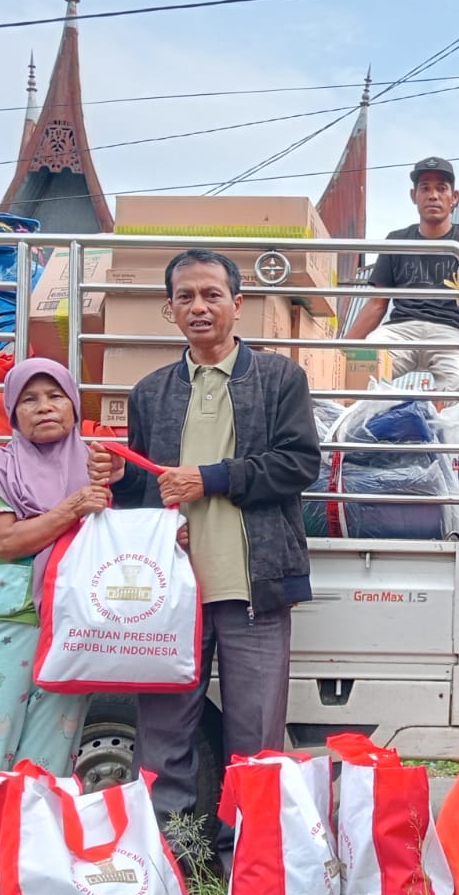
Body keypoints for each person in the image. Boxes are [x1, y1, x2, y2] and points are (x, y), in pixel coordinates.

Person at [114, 249, 321, 849]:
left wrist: (213, 478)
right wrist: (115, 474)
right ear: (169, 310)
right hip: (170, 593)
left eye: (211, 295)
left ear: (238, 303)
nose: (199, 307)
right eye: (185, 297)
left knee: (255, 740)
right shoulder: (152, 392)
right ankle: (166, 868)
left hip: (254, 585)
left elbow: (299, 463)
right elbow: (141, 490)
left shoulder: (280, 378)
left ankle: (249, 869)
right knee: (162, 733)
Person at [0, 358, 115, 775]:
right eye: (29, 400)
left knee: (46, 767)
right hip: (3, 627)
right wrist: (74, 507)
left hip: (72, 634)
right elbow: (6, 542)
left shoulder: (99, 470)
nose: (44, 407)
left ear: (74, 406)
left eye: (56, 396)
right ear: (13, 413)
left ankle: (31, 843)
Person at [345, 157, 459, 393]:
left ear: (454, 197)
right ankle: (354, 427)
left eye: (441, 188)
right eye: (425, 188)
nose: (433, 195)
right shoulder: (397, 240)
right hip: (401, 329)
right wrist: (339, 349)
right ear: (413, 196)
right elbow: (377, 304)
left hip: (452, 332)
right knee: (360, 370)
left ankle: (451, 429)